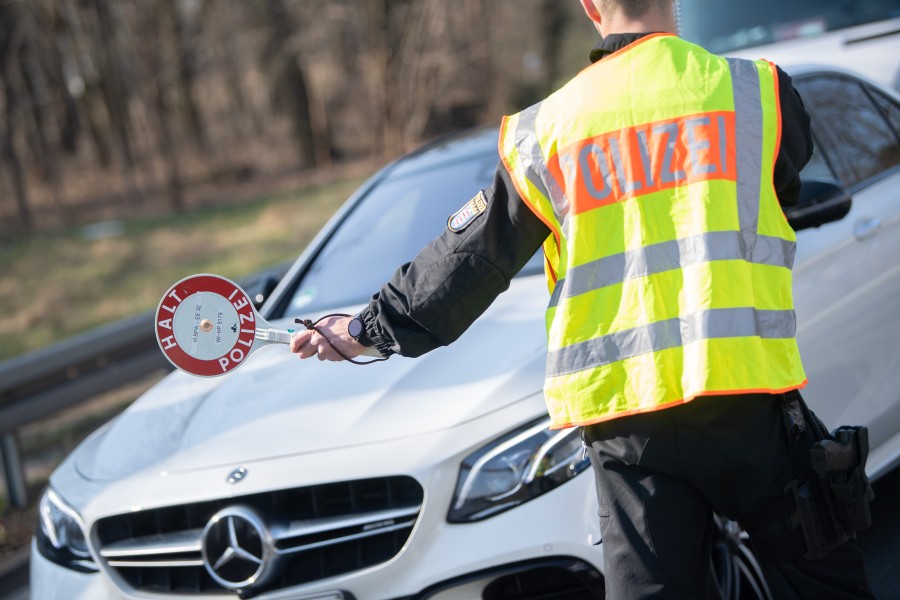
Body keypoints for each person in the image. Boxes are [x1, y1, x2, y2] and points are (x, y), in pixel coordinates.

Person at [291, 1, 876, 597]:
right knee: (820, 574)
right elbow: (785, 180)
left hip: (624, 420)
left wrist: (370, 325)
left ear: (590, 6)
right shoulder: (756, 91)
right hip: (741, 393)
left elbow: (470, 254)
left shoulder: (545, 130)